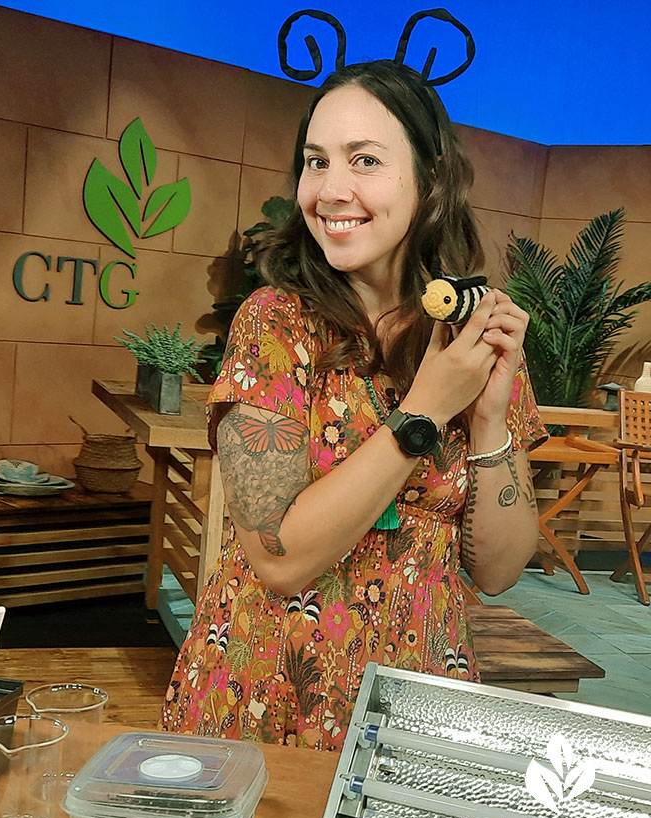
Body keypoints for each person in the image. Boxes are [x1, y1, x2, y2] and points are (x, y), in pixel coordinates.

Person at [160, 60, 546, 751]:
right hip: (270, 694)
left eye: (364, 160)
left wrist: (486, 417)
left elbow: (498, 572)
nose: (331, 190)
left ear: (431, 179)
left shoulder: (469, 336)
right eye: (316, 162)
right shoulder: (275, 325)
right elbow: (277, 558)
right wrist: (425, 409)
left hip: (414, 700)